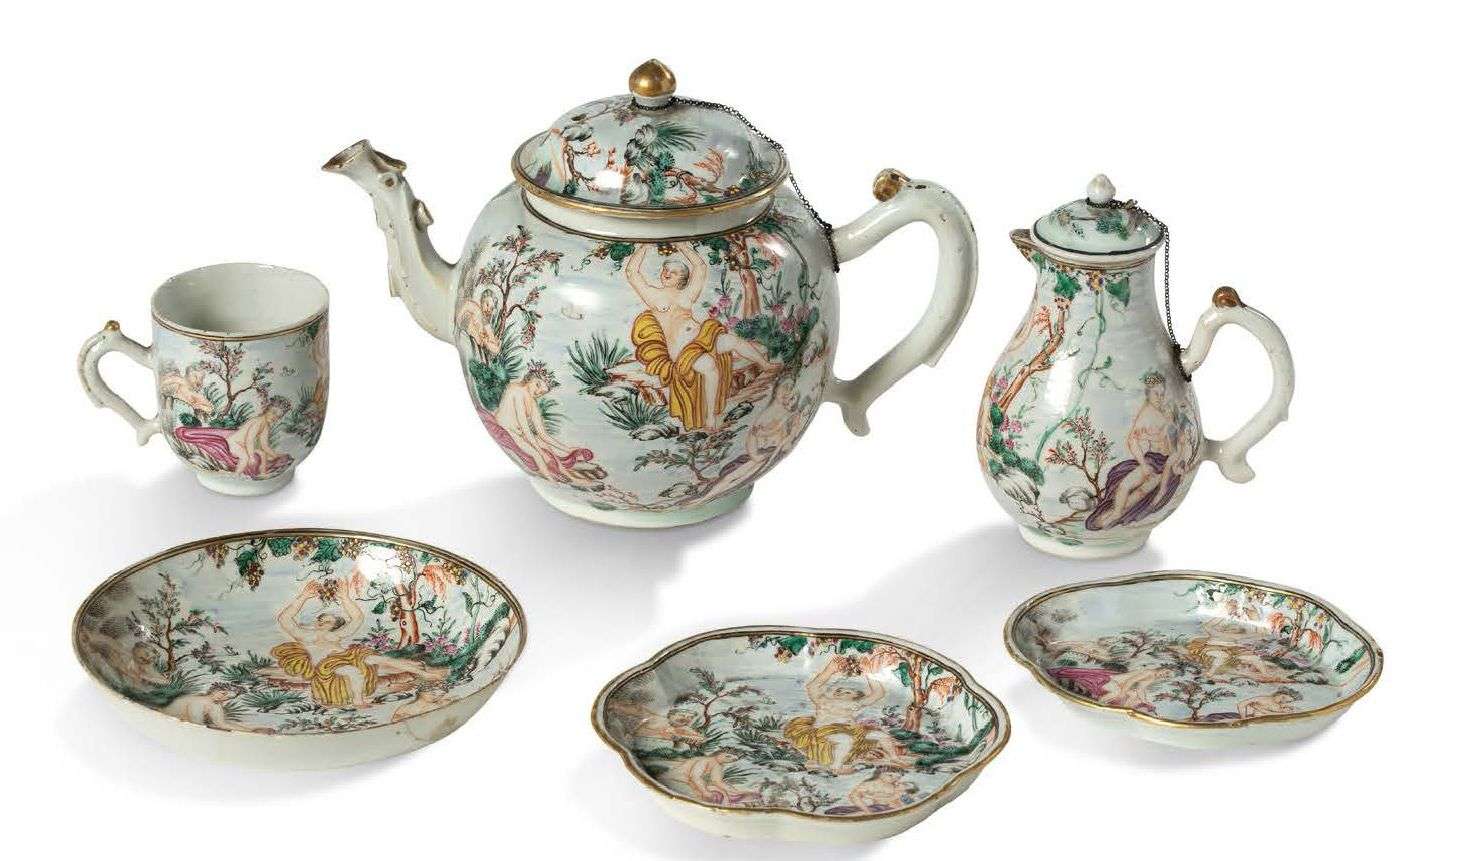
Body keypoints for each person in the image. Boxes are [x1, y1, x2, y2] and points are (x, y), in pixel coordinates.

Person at [625, 243, 778, 431]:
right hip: (682, 349)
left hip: (702, 338)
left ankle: (764, 364)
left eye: (673, 272)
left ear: (682, 278)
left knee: (732, 340)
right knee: (709, 366)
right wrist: (643, 247)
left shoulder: (687, 294)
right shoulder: (653, 295)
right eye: (665, 270)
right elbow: (632, 273)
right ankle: (711, 417)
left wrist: (683, 245)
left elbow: (700, 267)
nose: (666, 273)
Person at [1085, 372, 1190, 530]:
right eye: (1156, 393)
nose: (1159, 397)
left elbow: (1178, 438)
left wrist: (1178, 458)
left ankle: (1113, 516)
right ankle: (1114, 514)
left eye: (1162, 394)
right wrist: (1143, 464)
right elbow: (1132, 440)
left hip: (1166, 464)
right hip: (1152, 460)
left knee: (1140, 494)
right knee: (1124, 486)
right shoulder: (1146, 414)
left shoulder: (1167, 410)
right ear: (1148, 393)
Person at [782, 655, 912, 774]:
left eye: (848, 692)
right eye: (840, 691)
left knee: (880, 735)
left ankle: (894, 758)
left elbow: (878, 693)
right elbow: (812, 687)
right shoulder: (823, 701)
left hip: (853, 733)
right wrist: (830, 670)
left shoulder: (855, 704)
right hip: (824, 732)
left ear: (856, 696)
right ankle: (836, 766)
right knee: (844, 740)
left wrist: (868, 673)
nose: (843, 692)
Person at [480, 363, 601, 486]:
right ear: (531, 379)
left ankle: (571, 477)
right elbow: (524, 426)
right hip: (508, 430)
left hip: (520, 433)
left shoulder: (531, 402)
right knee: (537, 454)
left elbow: (543, 434)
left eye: (542, 392)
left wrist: (568, 449)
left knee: (549, 450)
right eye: (537, 385)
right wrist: (539, 449)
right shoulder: (516, 390)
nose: (538, 392)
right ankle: (552, 482)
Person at [162, 683, 273, 733]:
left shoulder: (215, 705)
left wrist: (252, 731)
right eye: (223, 693)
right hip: (167, 725)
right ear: (215, 690)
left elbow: (222, 724)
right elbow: (196, 723)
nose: (223, 698)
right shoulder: (198, 701)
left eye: (228, 697)